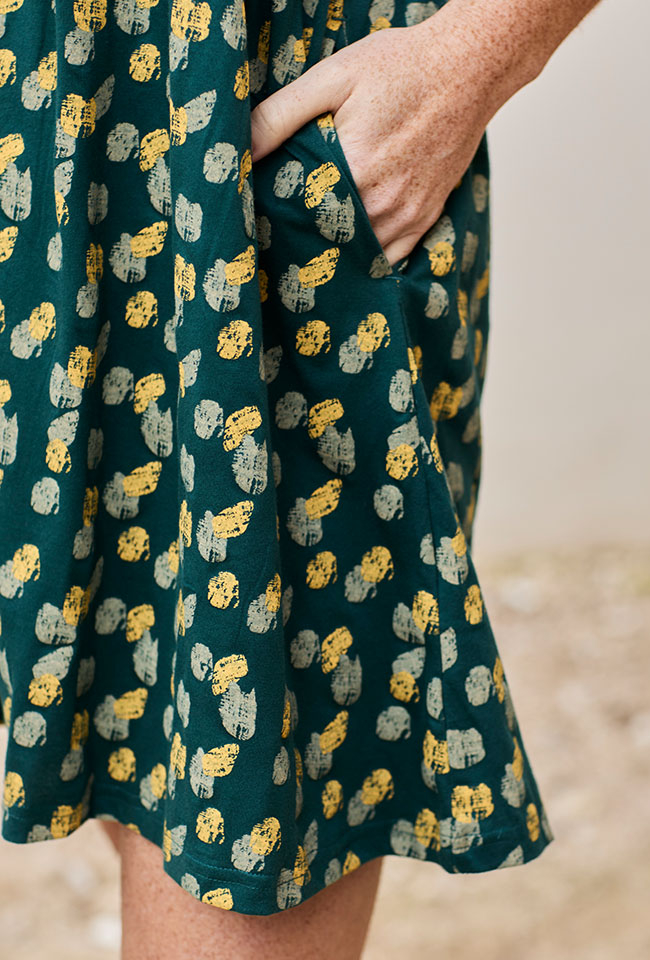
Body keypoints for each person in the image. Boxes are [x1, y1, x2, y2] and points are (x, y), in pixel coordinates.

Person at [0, 0, 599, 957]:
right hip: (35, 98)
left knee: (239, 809)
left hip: (250, 129)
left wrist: (477, 51)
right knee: (102, 709)